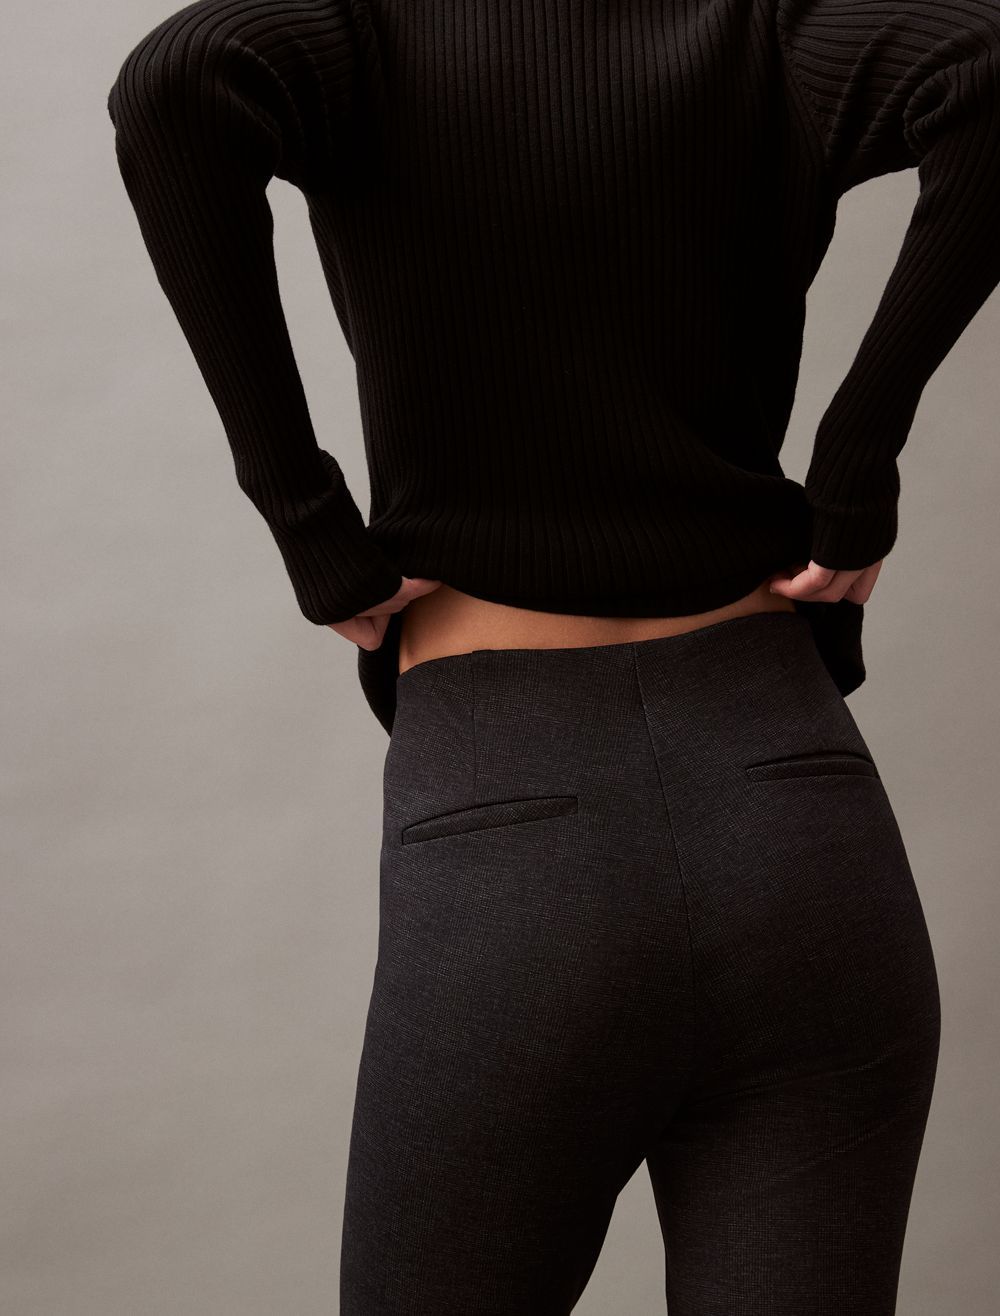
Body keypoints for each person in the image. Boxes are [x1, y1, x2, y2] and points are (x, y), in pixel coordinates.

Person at [106, 2, 998, 1311]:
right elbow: (988, 68)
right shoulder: (765, 24)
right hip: (798, 810)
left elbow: (174, 82)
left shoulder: (369, 33)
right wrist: (858, 460)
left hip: (512, 837)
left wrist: (305, 516)